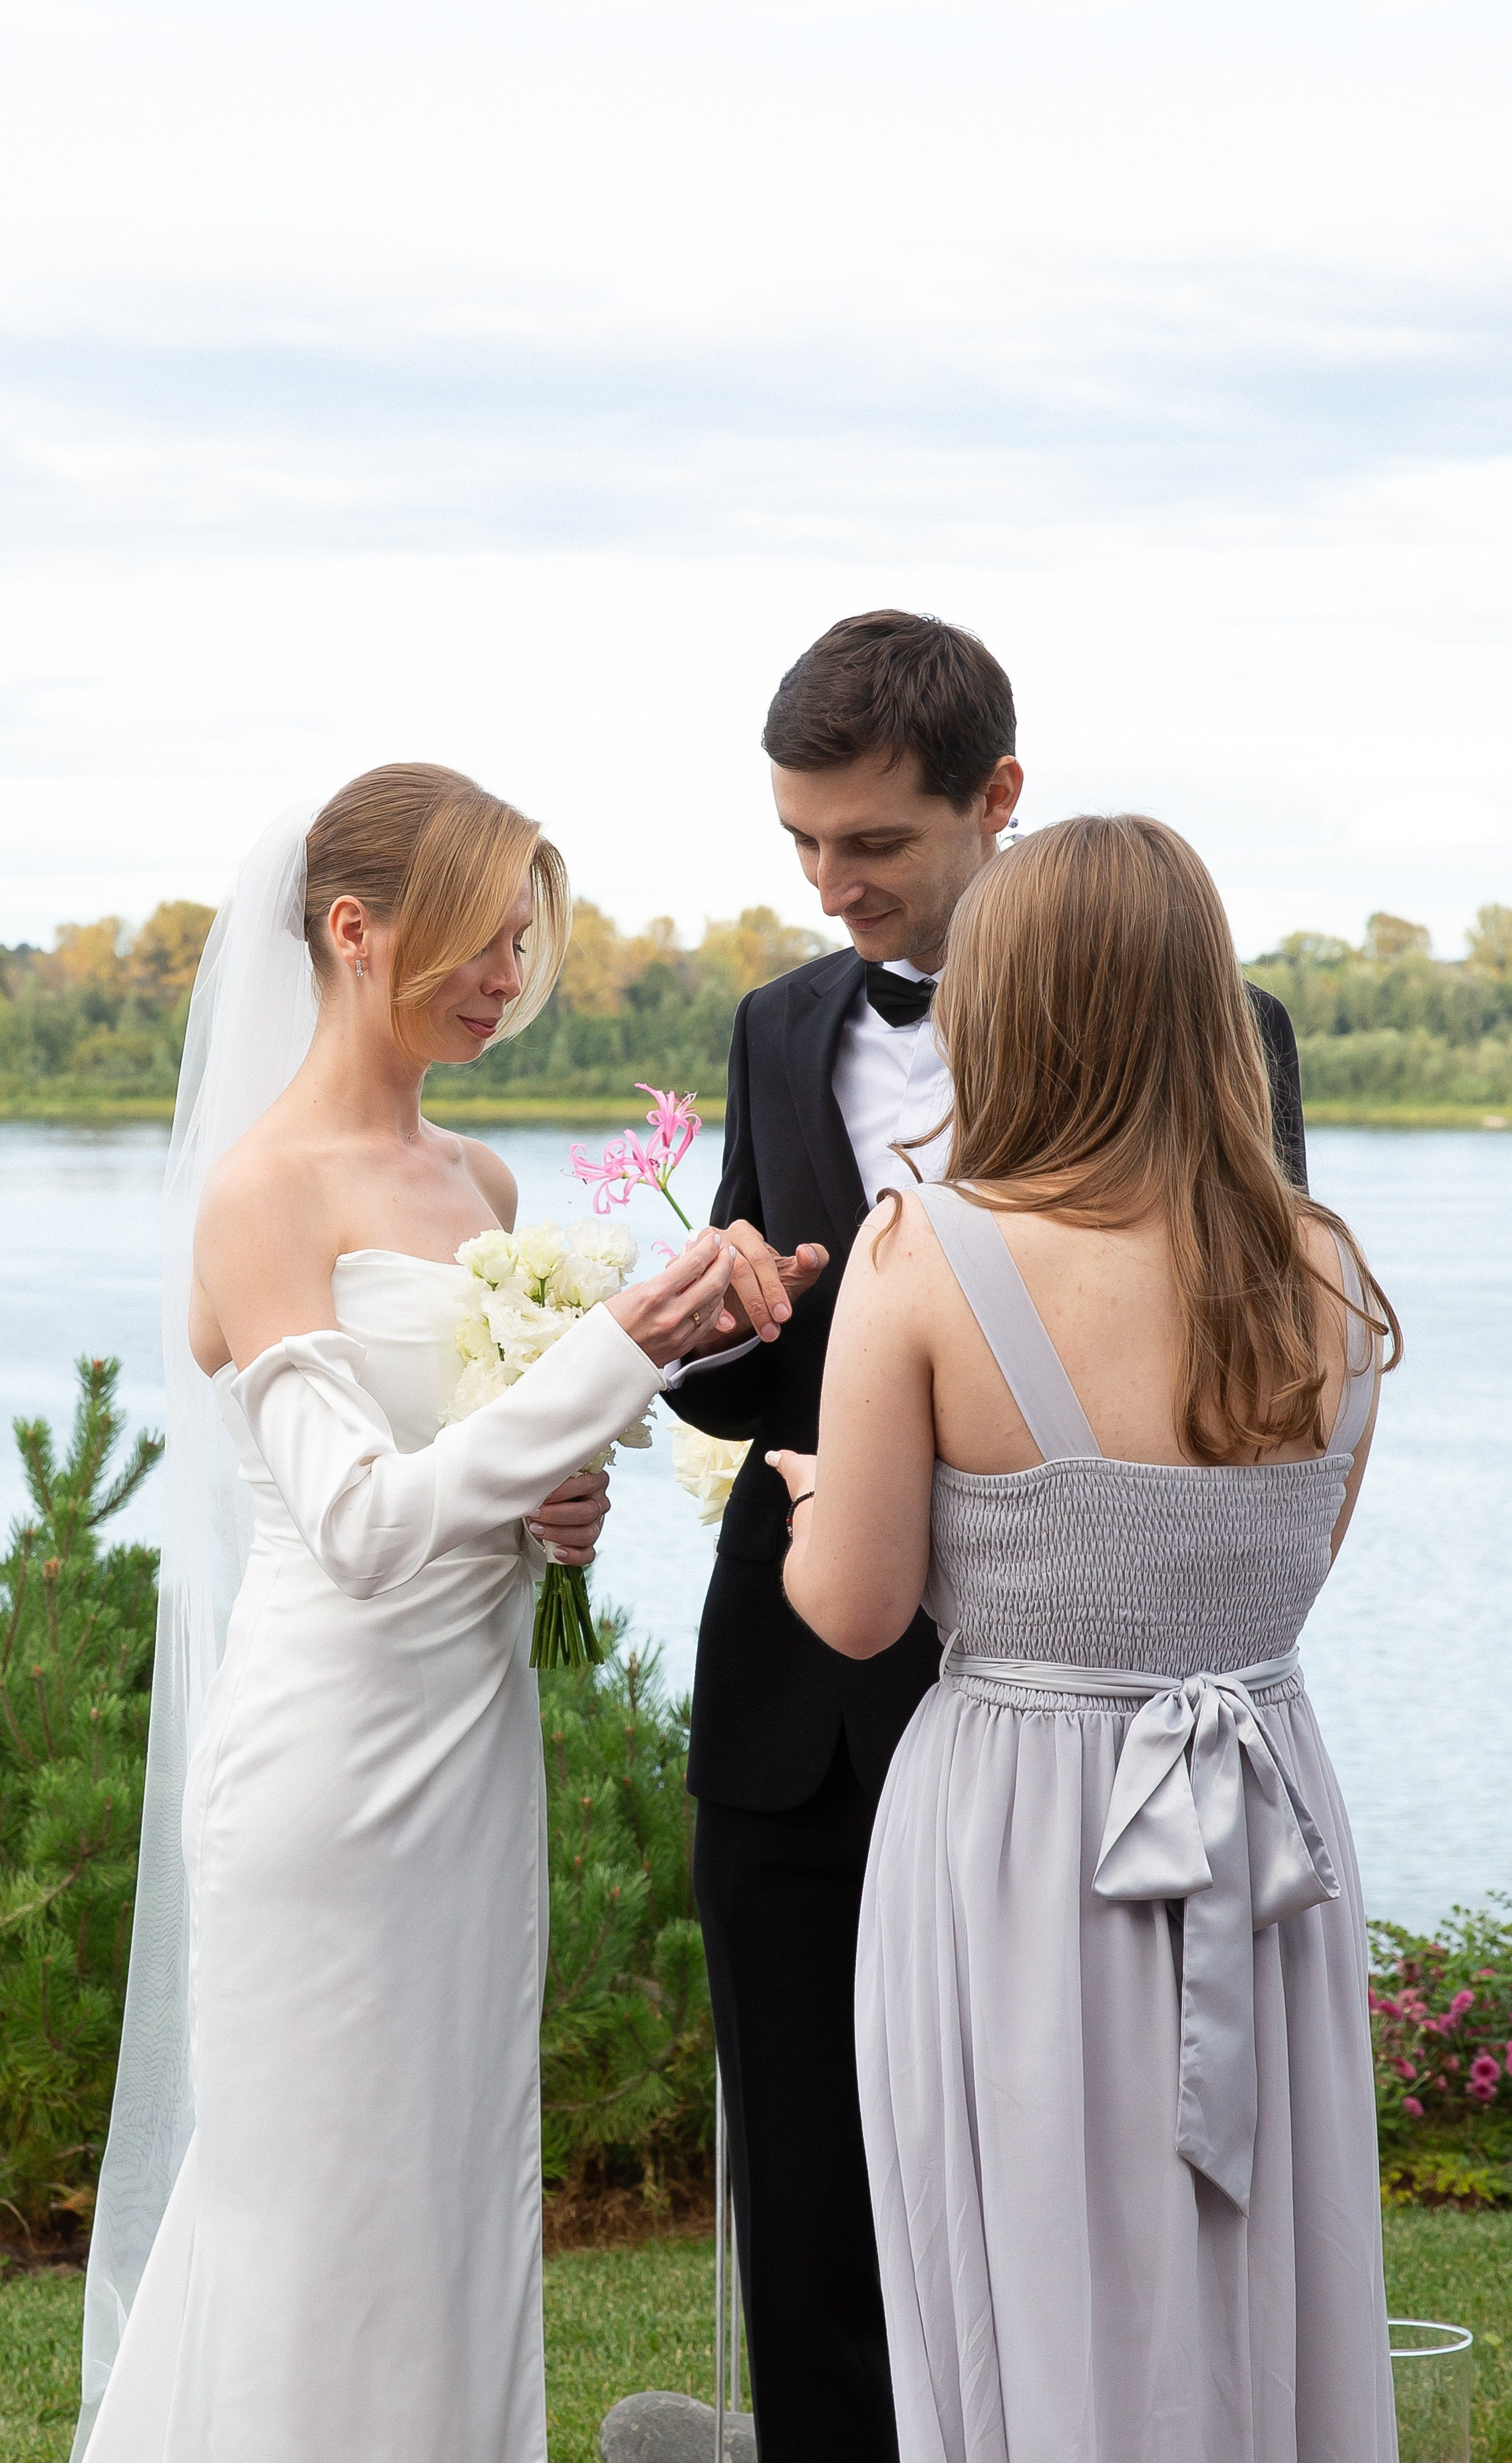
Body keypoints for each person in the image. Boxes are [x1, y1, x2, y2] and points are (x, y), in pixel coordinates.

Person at [668, 613, 1308, 2462]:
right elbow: (754, 1402)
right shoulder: (781, 1026)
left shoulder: (1219, 1037)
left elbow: (1223, 1377)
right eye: (800, 840)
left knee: (1087, 2193)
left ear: (996, 798)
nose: (827, 881)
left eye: (868, 841)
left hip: (1079, 1719)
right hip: (798, 1685)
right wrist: (724, 1321)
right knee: (806, 2181)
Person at [74, 764, 737, 2463]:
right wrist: (622, 1348)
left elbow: (467, 1486)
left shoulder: (483, 1188)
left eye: (525, 945)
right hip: (325, 1774)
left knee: (455, 2190)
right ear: (355, 931)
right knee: (314, 2219)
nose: (509, 980)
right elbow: (363, 1527)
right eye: (481, 940)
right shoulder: (260, 1195)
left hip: (472, 1752)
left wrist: (555, 1514)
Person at [770, 812, 1398, 2463]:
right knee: (1252, 2260)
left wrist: (809, 1509)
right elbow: (1285, 1563)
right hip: (1262, 1821)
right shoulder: (1323, 1268)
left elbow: (855, 1608)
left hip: (1019, 1838)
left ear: (1013, 1007)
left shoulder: (927, 1253)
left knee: (1020, 2270)